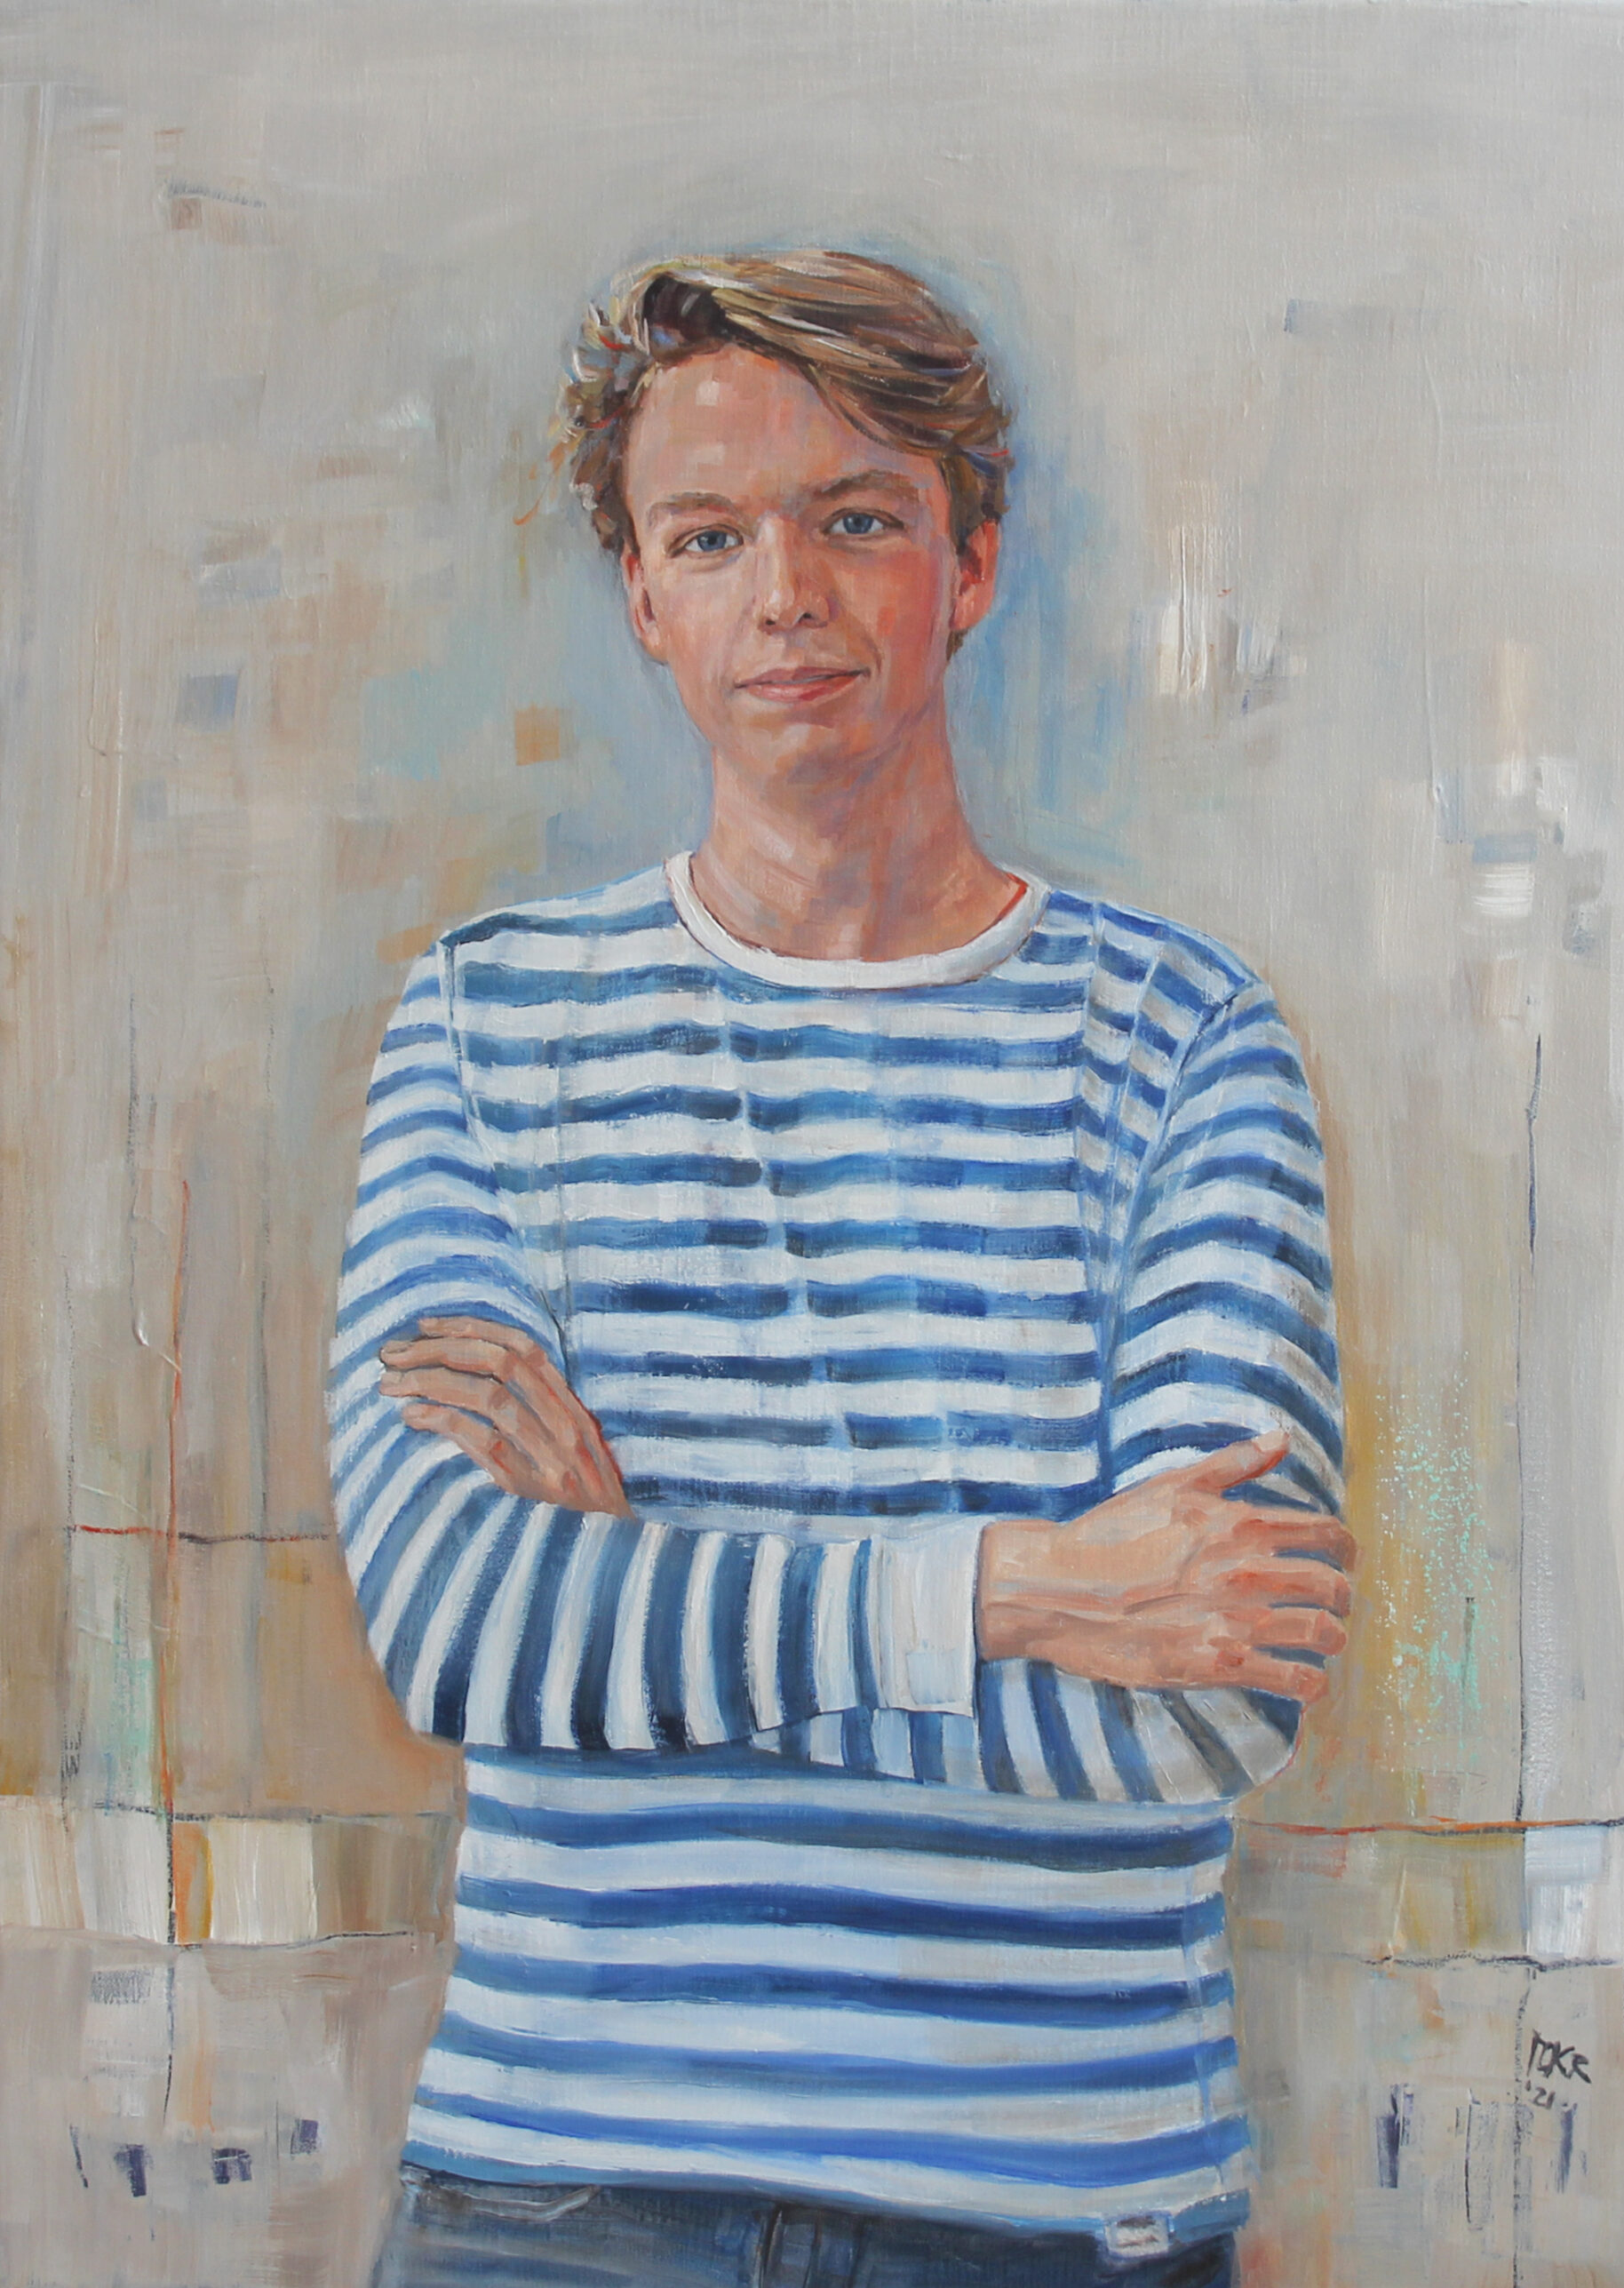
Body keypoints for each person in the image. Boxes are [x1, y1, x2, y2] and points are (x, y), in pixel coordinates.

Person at [334, 250, 1354, 2288]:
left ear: (971, 566)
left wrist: (641, 1596)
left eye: (857, 521)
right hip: (557, 2205)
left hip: (1052, 2210)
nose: (784, 593)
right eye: (711, 536)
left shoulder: (1186, 1040)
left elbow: (1207, 1695)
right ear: (643, 595)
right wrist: (1026, 1588)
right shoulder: (489, 1023)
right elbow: (460, 1628)